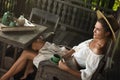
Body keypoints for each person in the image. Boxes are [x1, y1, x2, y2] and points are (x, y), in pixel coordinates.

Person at [0, 10, 119, 80]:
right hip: (65, 55)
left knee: (26, 53)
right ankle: (29, 69)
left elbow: (86, 77)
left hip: (69, 65)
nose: (94, 31)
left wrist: (65, 67)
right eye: (94, 28)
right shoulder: (95, 39)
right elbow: (76, 48)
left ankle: (4, 78)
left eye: (98, 30)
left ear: (107, 33)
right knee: (35, 43)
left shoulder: (98, 50)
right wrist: (65, 55)